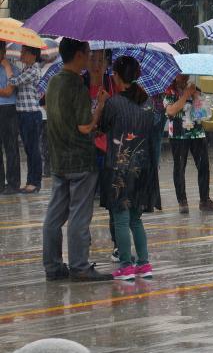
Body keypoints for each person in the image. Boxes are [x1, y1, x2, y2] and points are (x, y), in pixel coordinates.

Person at [42, 38, 112, 282]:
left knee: (54, 216)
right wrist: (100, 106)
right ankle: (80, 267)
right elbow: (85, 127)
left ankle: (52, 266)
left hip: (59, 158)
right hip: (81, 160)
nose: (91, 57)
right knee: (79, 216)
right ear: (79, 55)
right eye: (89, 53)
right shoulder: (76, 85)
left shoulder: (53, 82)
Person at [98, 56, 155, 281]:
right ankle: (144, 263)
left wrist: (101, 103)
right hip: (142, 168)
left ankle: (125, 265)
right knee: (135, 219)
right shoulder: (148, 103)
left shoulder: (114, 103)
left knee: (120, 219)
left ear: (117, 76)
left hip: (119, 168)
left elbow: (101, 128)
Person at [164, 74, 213, 214]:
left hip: (197, 133)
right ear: (175, 76)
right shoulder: (170, 92)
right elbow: (171, 111)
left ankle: (205, 200)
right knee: (179, 167)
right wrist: (185, 95)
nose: (183, 78)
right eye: (180, 76)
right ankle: (182, 201)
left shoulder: (195, 89)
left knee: (203, 166)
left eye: (186, 75)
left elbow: (203, 114)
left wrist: (195, 96)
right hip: (178, 134)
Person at [2, 43, 44, 192]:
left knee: (33, 149)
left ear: (33, 55)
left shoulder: (34, 70)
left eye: (24, 52)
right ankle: (30, 182)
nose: (21, 54)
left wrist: (7, 67)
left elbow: (14, 81)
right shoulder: (26, 68)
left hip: (31, 114)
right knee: (28, 148)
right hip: (23, 114)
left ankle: (35, 182)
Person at [0, 41, 21, 194]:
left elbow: (9, 91)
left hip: (9, 109)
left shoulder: (13, 69)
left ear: (4, 51)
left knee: (11, 147)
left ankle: (13, 183)